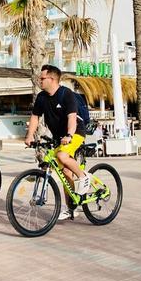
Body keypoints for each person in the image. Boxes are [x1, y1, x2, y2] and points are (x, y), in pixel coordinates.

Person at [24, 65, 91, 221]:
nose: (39, 81)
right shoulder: (41, 97)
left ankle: (83, 177)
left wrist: (69, 135)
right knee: (65, 173)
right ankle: (71, 208)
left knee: (61, 155)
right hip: (58, 137)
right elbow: (35, 117)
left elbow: (72, 118)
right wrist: (29, 136)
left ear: (52, 79)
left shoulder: (66, 94)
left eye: (42, 78)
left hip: (75, 133)